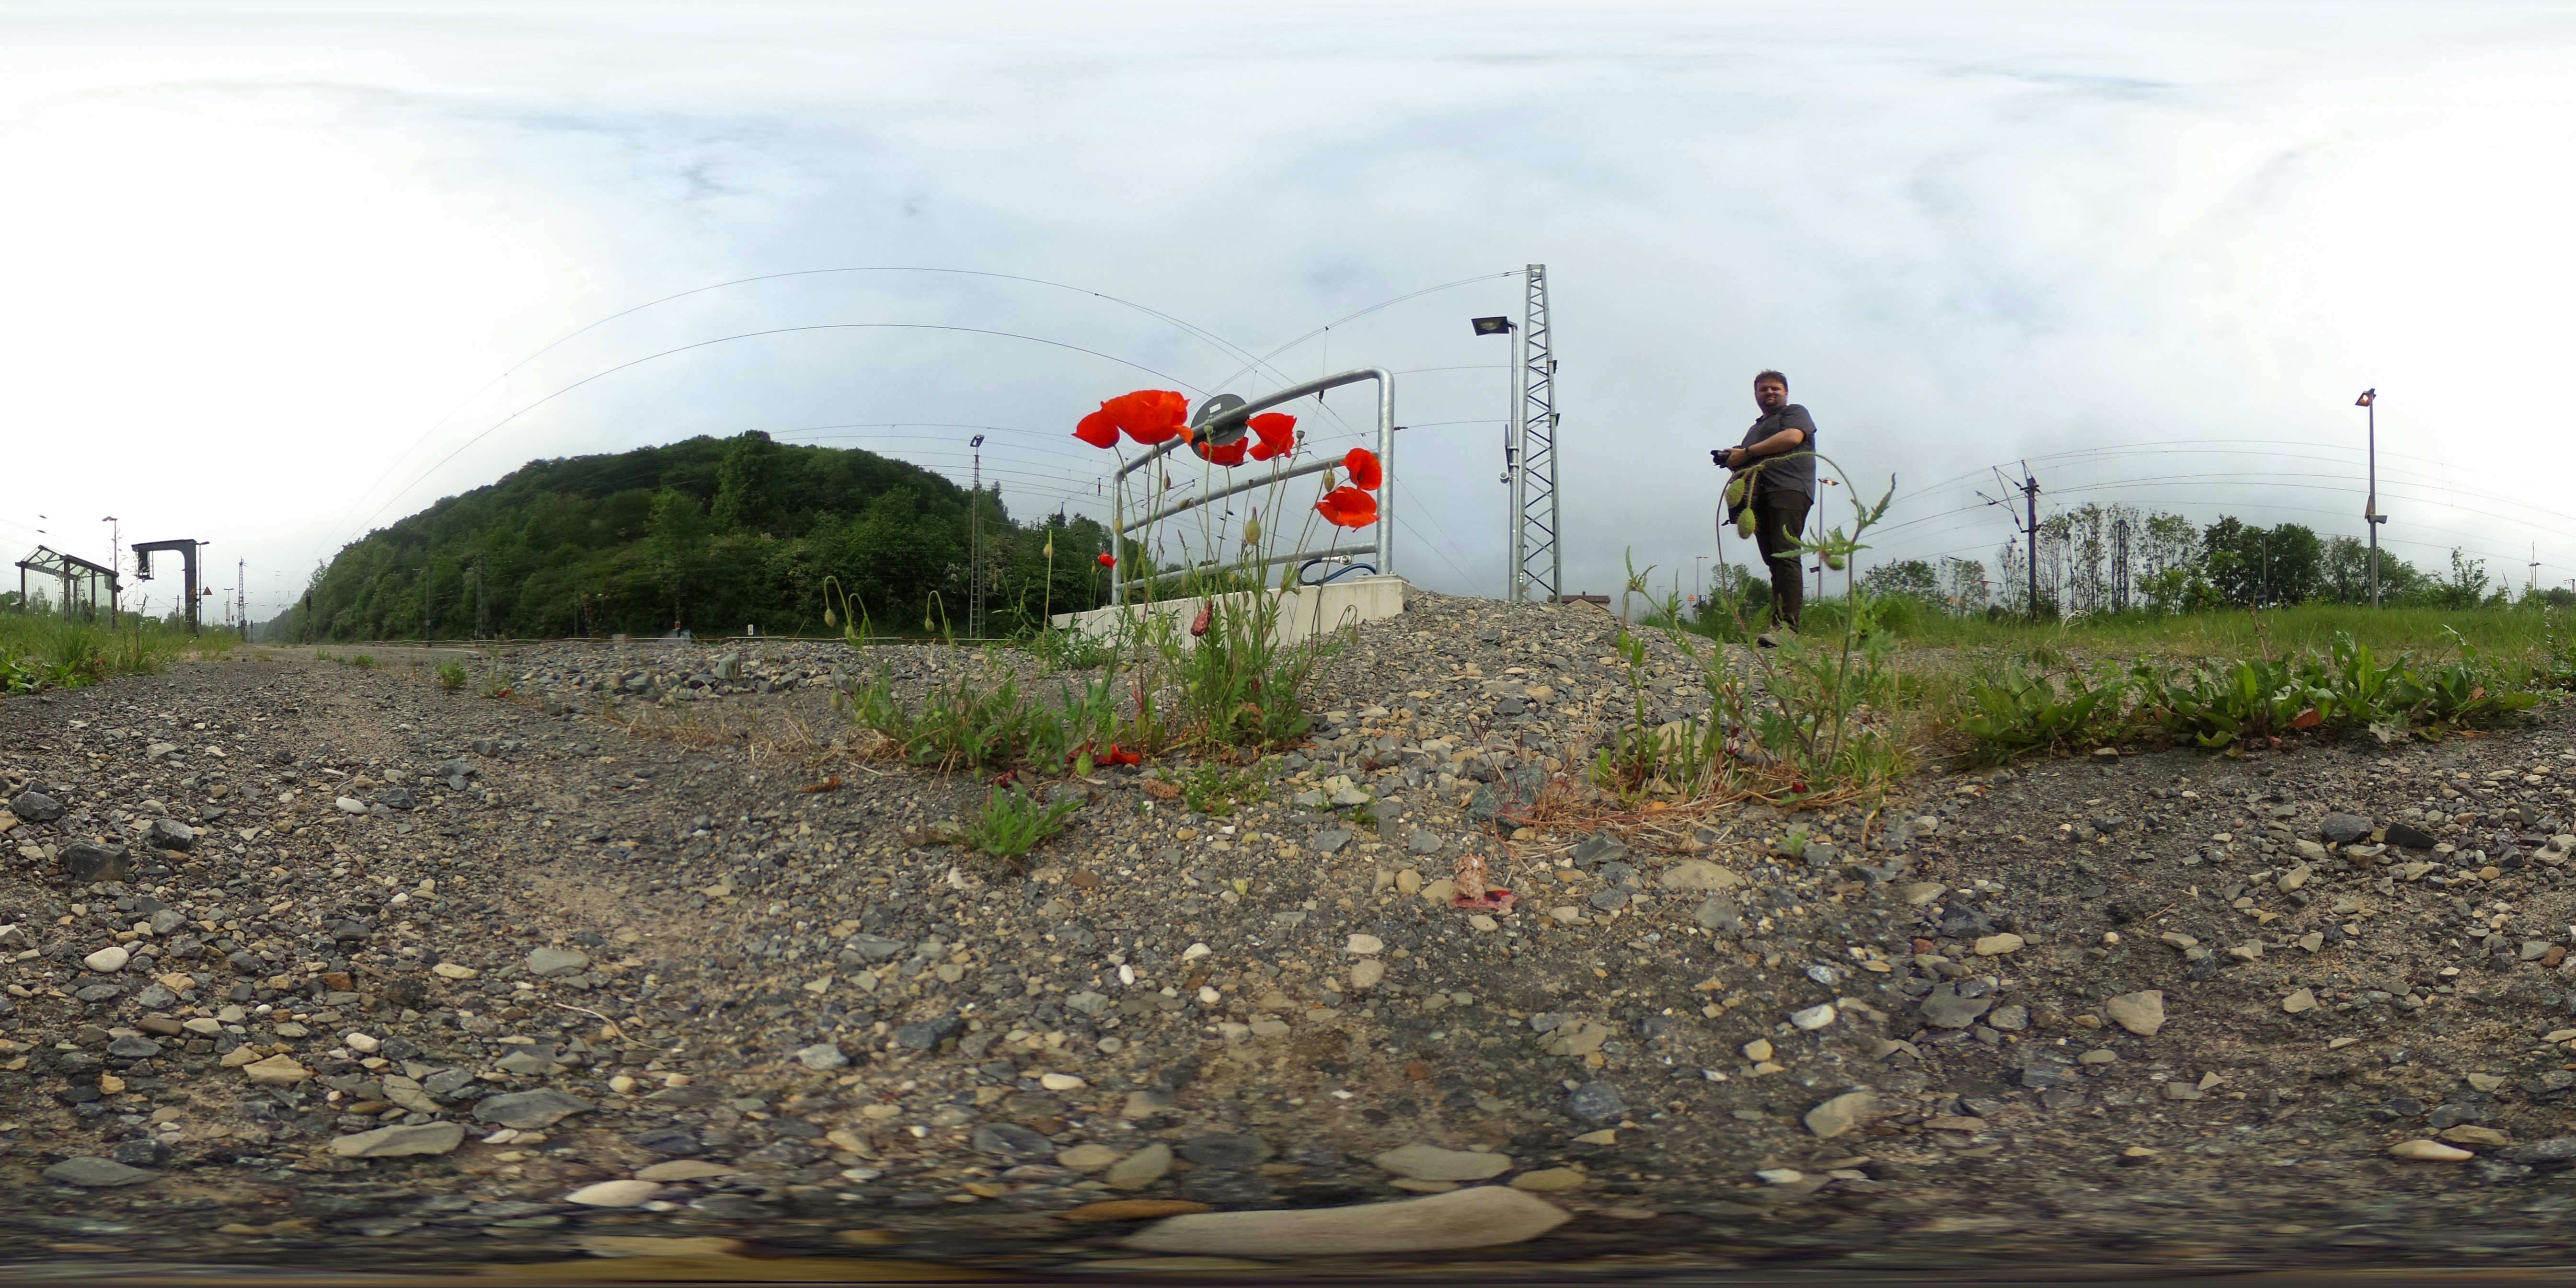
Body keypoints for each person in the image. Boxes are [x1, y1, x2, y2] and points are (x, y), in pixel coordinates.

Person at [1713, 369, 1816, 644]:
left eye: (1775, 388)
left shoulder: (1794, 413)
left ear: (1786, 392)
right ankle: (1778, 624)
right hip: (1759, 497)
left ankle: (1788, 628)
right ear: (1756, 395)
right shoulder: (1755, 429)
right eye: (1763, 389)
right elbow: (1750, 461)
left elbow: (1792, 438)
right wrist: (1735, 459)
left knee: (1786, 555)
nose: (1769, 393)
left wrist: (1747, 452)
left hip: (1789, 489)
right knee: (1774, 561)